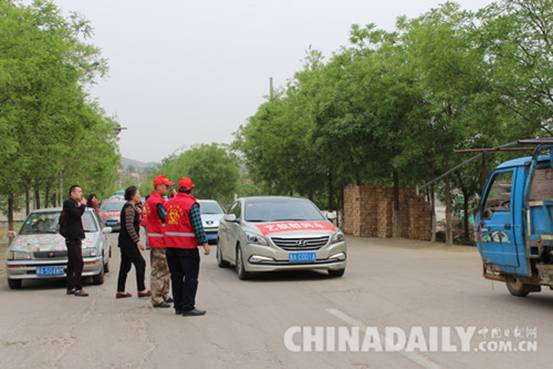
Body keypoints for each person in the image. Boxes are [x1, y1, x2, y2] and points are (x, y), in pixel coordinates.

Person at [165, 177, 210, 316]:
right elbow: (197, 225)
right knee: (190, 277)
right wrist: (204, 243)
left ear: (179, 188)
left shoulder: (169, 203)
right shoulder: (191, 204)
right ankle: (188, 307)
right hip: (187, 248)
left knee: (176, 277)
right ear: (191, 188)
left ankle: (178, 306)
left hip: (171, 247)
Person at [144, 176, 174, 308]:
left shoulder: (155, 200)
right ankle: (157, 298)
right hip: (159, 240)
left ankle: (164, 294)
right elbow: (166, 217)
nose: (168, 188)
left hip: (161, 239)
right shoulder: (156, 202)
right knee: (159, 269)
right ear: (159, 186)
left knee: (165, 269)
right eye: (166, 186)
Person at [116, 186, 151, 299]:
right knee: (140, 263)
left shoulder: (132, 206)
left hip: (125, 241)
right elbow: (129, 226)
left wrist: (140, 207)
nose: (139, 195)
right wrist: (138, 241)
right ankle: (141, 289)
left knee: (125, 266)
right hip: (128, 242)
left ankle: (120, 291)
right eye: (138, 194)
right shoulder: (129, 208)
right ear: (132, 196)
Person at [61, 185, 89, 297]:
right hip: (72, 238)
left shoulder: (74, 204)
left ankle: (70, 287)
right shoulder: (68, 203)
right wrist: (83, 205)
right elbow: (77, 214)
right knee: (79, 262)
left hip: (76, 237)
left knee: (72, 263)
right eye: (79, 191)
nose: (81, 194)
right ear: (72, 193)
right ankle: (78, 288)